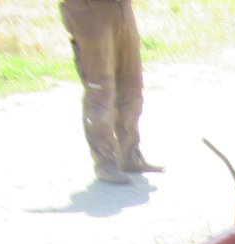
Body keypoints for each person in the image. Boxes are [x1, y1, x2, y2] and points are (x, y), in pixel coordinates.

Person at [59, 0, 161, 185]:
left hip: (120, 8)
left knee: (131, 84)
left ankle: (129, 155)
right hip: (90, 11)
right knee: (100, 89)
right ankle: (105, 162)